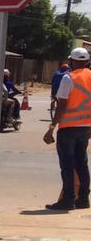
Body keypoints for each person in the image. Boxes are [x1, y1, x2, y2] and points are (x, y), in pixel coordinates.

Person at [43, 47, 91, 211]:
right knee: (82, 164)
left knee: (68, 165)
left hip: (68, 128)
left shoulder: (68, 78)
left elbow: (62, 105)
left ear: (72, 61)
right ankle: (84, 199)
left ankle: (68, 200)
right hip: (86, 128)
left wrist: (51, 128)